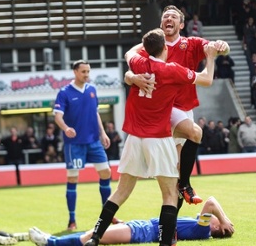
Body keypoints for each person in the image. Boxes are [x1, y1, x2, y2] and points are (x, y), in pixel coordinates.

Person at [82, 28, 218, 246]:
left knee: (121, 191)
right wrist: (210, 57)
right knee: (170, 195)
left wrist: (133, 75)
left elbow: (129, 53)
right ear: (165, 48)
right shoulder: (173, 70)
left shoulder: (139, 63)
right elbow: (206, 79)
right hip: (159, 137)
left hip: (134, 138)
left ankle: (95, 237)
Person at [125, 5, 230, 205]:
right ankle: (185, 185)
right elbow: (129, 62)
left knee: (178, 171)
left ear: (181, 24)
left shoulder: (191, 44)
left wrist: (221, 46)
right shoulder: (153, 47)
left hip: (184, 110)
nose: (169, 19)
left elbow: (214, 48)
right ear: (161, 24)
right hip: (164, 109)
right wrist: (132, 77)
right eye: (165, 16)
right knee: (194, 136)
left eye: (173, 17)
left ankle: (174, 219)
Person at [53, 60, 117, 231]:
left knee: (106, 173)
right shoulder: (64, 92)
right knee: (73, 178)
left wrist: (102, 133)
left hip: (94, 142)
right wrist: (66, 129)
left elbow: (95, 113)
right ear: (75, 72)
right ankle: (72, 220)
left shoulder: (92, 90)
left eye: (88, 71)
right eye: (83, 72)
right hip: (74, 144)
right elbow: (58, 117)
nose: (87, 75)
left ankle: (108, 216)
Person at [28, 196, 234, 246]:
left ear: (215, 226)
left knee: (92, 237)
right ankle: (51, 240)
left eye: (215, 220)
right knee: (93, 232)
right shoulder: (200, 226)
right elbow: (207, 206)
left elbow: (211, 202)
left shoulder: (203, 231)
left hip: (143, 232)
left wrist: (225, 220)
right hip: (142, 226)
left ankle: (49, 242)